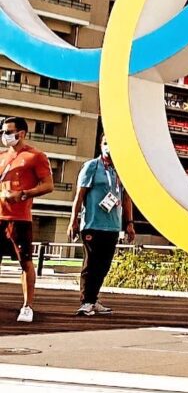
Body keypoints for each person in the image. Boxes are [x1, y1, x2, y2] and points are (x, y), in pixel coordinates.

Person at [68, 135, 135, 316]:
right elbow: (79, 196)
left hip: (112, 226)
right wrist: (73, 220)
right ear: (101, 145)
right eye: (106, 144)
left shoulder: (120, 170)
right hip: (92, 224)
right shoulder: (92, 167)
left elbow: (126, 198)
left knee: (104, 265)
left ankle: (93, 299)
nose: (109, 148)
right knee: (91, 262)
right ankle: (86, 301)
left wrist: (129, 223)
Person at [0, 115, 53, 323]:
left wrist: (23, 194)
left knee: (25, 262)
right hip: (0, 215)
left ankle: (27, 306)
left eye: (8, 131)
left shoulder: (36, 156)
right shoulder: (3, 156)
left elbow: (48, 185)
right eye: (3, 131)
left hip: (19, 218)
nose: (4, 135)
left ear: (20, 133)